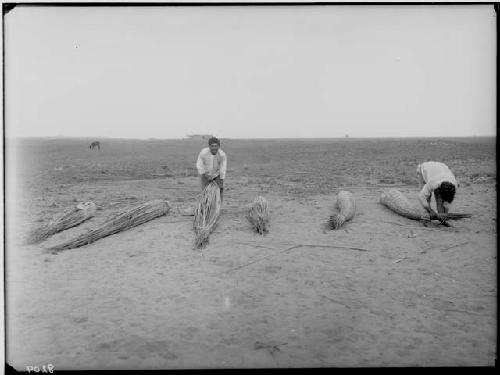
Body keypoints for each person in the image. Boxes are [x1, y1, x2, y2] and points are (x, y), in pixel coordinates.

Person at [196, 136, 227, 202]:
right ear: (209, 146)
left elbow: (223, 168)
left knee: (219, 192)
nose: (214, 148)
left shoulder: (222, 155)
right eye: (212, 146)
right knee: (205, 193)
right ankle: (204, 209)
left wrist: (220, 181)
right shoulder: (203, 153)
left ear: (219, 146)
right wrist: (205, 174)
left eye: (216, 146)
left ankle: (217, 209)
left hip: (217, 175)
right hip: (205, 174)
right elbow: (199, 164)